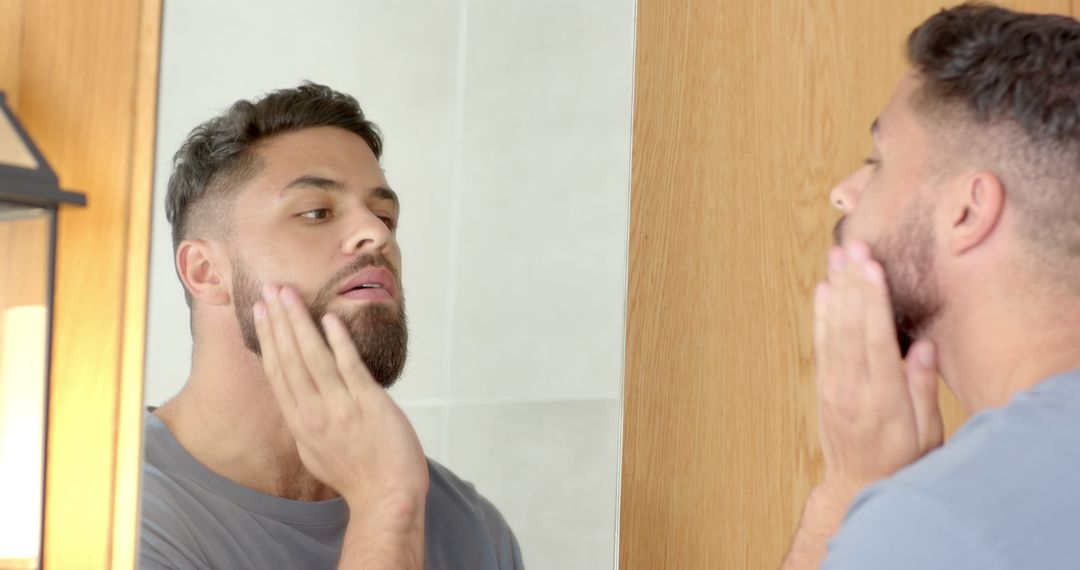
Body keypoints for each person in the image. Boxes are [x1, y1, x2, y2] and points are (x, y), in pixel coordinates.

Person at [139, 83, 523, 570]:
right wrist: (385, 511)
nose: (378, 233)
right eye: (317, 212)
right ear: (205, 272)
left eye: (384, 215)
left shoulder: (470, 529)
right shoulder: (99, 511)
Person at [782, 4, 1080, 569]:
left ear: (967, 213)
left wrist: (847, 492)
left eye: (878, 160)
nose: (843, 194)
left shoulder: (946, 523)